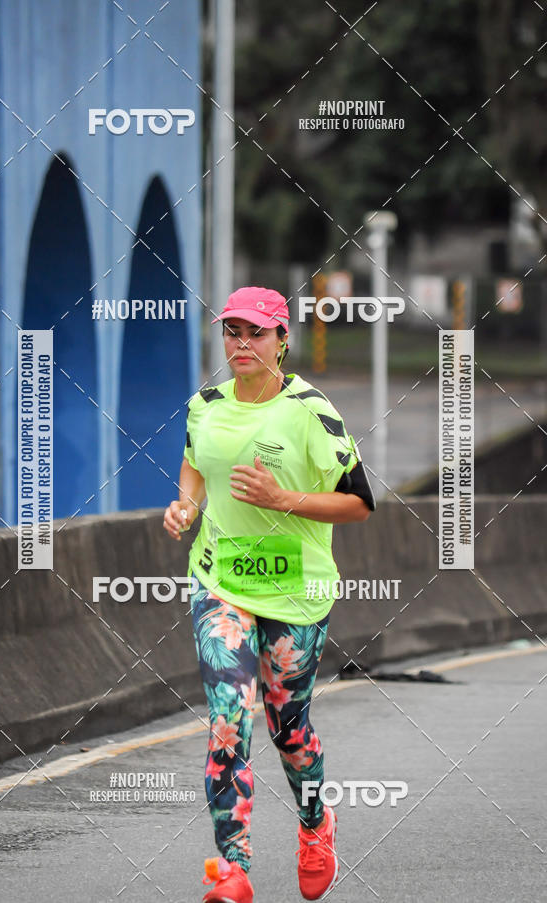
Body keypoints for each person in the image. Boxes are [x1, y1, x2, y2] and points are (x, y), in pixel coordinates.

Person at [163, 286, 375, 903]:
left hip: (296, 591)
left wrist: (285, 500)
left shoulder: (310, 410)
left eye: (256, 333)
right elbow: (195, 468)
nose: (242, 344)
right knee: (229, 717)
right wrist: (184, 508)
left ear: (283, 339)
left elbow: (359, 503)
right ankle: (233, 868)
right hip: (220, 582)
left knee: (289, 728)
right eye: (232, 331)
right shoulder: (204, 404)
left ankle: (315, 824)